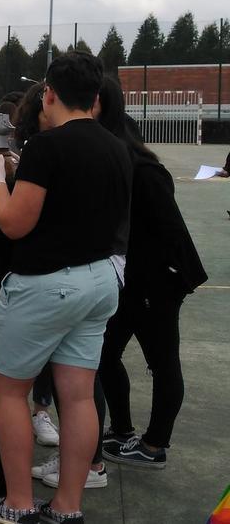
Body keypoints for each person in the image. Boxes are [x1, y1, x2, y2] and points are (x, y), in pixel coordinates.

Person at [0, 53, 131, 524]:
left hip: (47, 286)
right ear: (96, 99)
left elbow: (15, 224)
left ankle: (17, 504)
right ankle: (66, 508)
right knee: (78, 396)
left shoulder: (48, 148)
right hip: (99, 281)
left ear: (50, 94)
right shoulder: (115, 146)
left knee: (8, 391)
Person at [96, 85, 206, 471]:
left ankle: (156, 444)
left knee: (162, 361)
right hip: (131, 281)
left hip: (156, 281)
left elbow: (169, 232)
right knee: (105, 354)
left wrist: (170, 281)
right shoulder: (116, 157)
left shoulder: (142, 170)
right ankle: (123, 430)